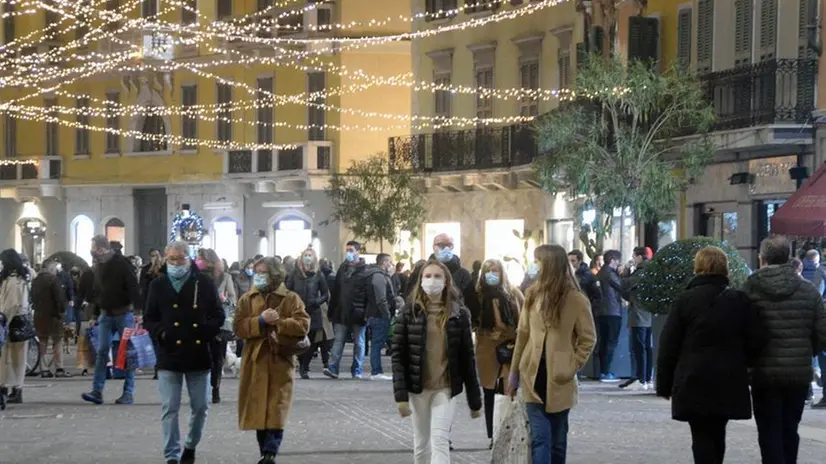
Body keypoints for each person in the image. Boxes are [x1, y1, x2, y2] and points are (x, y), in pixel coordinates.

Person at [656, 246, 760, 464]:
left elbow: (669, 344)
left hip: (695, 376)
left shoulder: (685, 300)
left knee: (700, 433)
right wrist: (748, 368)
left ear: (698, 267)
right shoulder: (739, 300)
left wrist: (664, 384)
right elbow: (754, 340)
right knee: (718, 431)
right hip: (728, 377)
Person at [507, 244, 596, 464]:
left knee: (557, 440)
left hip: (559, 377)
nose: (534, 265)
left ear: (550, 264)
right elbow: (523, 335)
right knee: (540, 438)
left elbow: (588, 338)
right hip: (532, 374)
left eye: (538, 261)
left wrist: (572, 364)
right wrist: (514, 373)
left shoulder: (576, 299)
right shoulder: (532, 294)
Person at [742, 236, 826, 463]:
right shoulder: (808, 291)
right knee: (790, 429)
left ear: (762, 258)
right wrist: (806, 351)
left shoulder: (749, 287)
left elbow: (740, 327)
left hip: (763, 372)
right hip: (797, 372)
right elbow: (822, 333)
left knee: (768, 431)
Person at [391, 259, 482, 464]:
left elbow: (467, 357)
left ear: (447, 281)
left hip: (446, 387)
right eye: (428, 276)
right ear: (421, 280)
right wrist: (401, 396)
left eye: (438, 276)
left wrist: (475, 400)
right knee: (422, 443)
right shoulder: (409, 312)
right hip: (417, 388)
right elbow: (398, 354)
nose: (432, 280)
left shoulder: (459, 315)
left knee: (440, 439)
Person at [143, 241, 225, 464]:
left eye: (180, 258)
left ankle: (190, 445)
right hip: (169, 354)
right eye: (171, 259)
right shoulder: (158, 285)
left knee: (200, 407)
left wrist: (206, 331)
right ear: (165, 260)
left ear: (188, 258)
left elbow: (219, 314)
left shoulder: (203, 283)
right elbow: (150, 318)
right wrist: (161, 333)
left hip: (198, 353)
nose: (176, 263)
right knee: (170, 407)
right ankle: (171, 454)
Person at [234, 257, 310, 464]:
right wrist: (259, 321)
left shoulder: (291, 298)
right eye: (256, 271)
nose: (258, 275)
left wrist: (280, 323)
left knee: (277, 406)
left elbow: (303, 324)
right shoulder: (247, 299)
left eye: (263, 272)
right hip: (255, 361)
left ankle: (270, 451)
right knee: (259, 408)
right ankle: (264, 453)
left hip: (280, 360)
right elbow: (238, 326)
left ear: (275, 274)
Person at [82, 235, 140, 405]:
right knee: (101, 351)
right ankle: (97, 391)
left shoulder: (121, 263)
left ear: (102, 249)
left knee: (128, 352)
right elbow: (99, 291)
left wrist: (138, 311)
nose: (93, 252)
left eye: (94, 249)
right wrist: (95, 313)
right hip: (106, 314)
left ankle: (128, 392)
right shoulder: (99, 265)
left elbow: (133, 287)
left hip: (124, 314)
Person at [474, 258, 523, 449]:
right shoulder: (478, 296)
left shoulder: (513, 294)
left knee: (506, 391)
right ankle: (492, 435)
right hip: (486, 349)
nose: (492, 275)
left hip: (508, 348)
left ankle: (503, 433)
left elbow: (523, 321)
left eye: (495, 271)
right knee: (488, 392)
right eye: (488, 271)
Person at [196, 248, 238, 404]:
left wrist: (225, 299)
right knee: (201, 356)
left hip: (219, 321)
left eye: (200, 258)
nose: (197, 261)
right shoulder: (195, 276)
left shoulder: (225, 277)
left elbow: (233, 299)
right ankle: (203, 388)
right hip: (200, 320)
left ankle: (215, 388)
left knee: (217, 357)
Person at [324, 241, 368, 380]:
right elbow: (336, 291)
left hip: (359, 313)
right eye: (347, 249)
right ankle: (333, 367)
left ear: (358, 252)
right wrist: (331, 311)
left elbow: (368, 293)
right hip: (341, 311)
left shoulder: (365, 270)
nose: (348, 252)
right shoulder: (343, 268)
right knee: (338, 341)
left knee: (359, 343)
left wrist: (367, 312)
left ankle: (357, 369)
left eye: (351, 250)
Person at [354, 253, 400, 380]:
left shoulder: (373, 275)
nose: (391, 265)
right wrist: (387, 314)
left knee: (376, 343)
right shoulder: (378, 276)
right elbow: (381, 298)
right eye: (390, 262)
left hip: (373, 314)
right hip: (379, 315)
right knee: (377, 344)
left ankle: (376, 370)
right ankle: (376, 371)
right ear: (384, 263)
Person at [286, 247, 330, 379]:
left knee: (310, 342)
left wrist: (317, 301)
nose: (307, 257)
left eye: (310, 255)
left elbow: (325, 293)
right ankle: (297, 362)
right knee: (297, 338)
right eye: (306, 255)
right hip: (297, 311)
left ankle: (304, 366)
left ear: (314, 258)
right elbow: (287, 291)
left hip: (313, 311)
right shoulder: (294, 273)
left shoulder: (318, 274)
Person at [619, 247, 654, 390]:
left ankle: (641, 379)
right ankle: (646, 377)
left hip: (639, 315)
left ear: (639, 257)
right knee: (646, 347)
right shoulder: (649, 270)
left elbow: (625, 284)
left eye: (634, 256)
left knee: (639, 347)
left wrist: (625, 270)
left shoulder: (641, 271)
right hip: (646, 314)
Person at [0, 249, 30, 408]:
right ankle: (17, 389)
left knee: (7, 358)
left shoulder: (11, 280)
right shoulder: (22, 278)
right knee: (20, 358)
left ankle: (6, 387)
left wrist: (3, 320)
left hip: (11, 322)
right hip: (22, 320)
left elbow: (10, 305)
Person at [32, 260, 69, 378]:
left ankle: (44, 369)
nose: (56, 271)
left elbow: (32, 298)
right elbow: (60, 298)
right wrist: (62, 311)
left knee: (42, 341)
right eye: (55, 269)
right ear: (51, 269)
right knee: (57, 341)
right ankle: (59, 368)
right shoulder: (54, 280)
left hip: (39, 315)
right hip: (54, 316)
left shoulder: (35, 281)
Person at [431, 234, 476, 320]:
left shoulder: (463, 274)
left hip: (456, 322)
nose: (446, 248)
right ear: (433, 247)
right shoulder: (422, 271)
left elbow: (472, 304)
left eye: (449, 245)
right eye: (441, 245)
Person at [596, 249, 625, 382]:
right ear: (612, 260)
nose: (619, 263)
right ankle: (606, 372)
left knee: (604, 341)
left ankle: (602, 371)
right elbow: (622, 286)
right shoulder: (610, 273)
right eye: (618, 261)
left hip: (601, 312)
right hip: (612, 311)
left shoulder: (601, 272)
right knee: (611, 341)